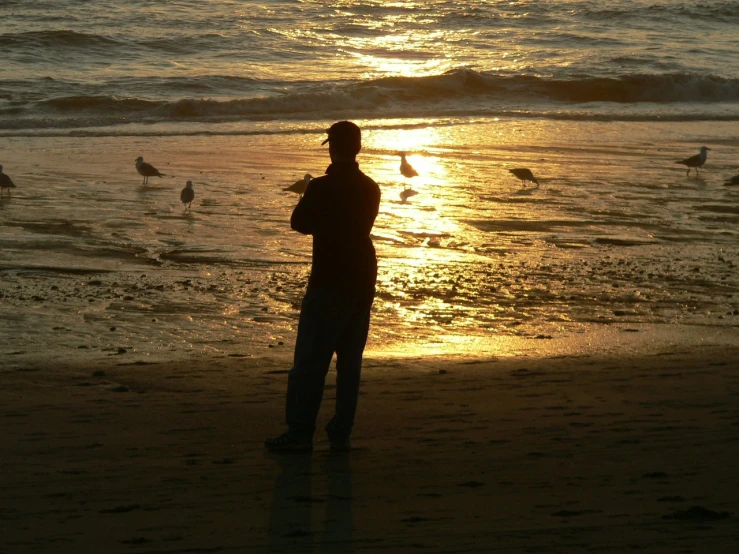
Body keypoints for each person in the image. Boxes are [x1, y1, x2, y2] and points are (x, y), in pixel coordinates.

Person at [265, 121, 381, 453]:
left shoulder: (319, 187)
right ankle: (341, 430)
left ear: (331, 147)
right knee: (350, 361)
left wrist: (323, 220)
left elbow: (298, 223)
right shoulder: (371, 188)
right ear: (358, 148)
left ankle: (301, 432)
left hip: (329, 277)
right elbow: (362, 225)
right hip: (361, 276)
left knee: (310, 361)